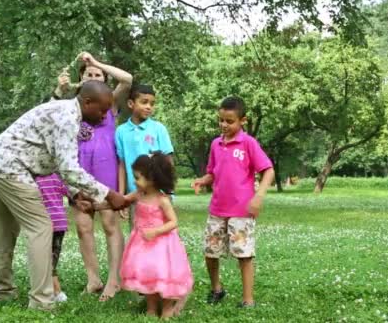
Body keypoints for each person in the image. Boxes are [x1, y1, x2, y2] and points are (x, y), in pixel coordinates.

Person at [0, 80, 127, 311]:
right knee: (41, 228)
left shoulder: (64, 111)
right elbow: (68, 168)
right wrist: (108, 194)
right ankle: (42, 301)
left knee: (6, 232)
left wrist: (75, 194)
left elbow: (55, 160)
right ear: (87, 102)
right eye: (102, 109)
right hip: (10, 168)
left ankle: (4, 291)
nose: (104, 115)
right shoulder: (68, 118)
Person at [53, 52, 131, 301]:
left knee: (110, 225)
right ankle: (93, 279)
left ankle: (113, 280)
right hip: (79, 172)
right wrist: (60, 88)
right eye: (89, 75)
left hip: (106, 171)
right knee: (83, 227)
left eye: (98, 76)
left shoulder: (111, 104)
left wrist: (95, 63)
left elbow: (127, 80)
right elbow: (50, 113)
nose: (94, 76)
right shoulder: (73, 107)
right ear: (81, 80)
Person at [191, 96, 275, 309]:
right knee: (211, 252)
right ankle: (217, 289)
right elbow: (212, 173)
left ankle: (248, 300)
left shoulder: (248, 143)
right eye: (221, 120)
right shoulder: (216, 144)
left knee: (244, 255)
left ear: (242, 120)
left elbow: (268, 170)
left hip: (241, 211)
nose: (224, 125)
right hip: (217, 209)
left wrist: (259, 197)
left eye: (230, 121)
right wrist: (203, 180)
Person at [120, 152, 193, 318]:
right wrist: (102, 203)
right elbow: (122, 200)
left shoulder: (162, 200)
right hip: (142, 244)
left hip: (162, 245)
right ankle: (151, 307)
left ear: (152, 179)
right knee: (147, 275)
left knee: (163, 274)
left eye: (137, 178)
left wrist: (156, 231)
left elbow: (173, 222)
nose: (134, 181)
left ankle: (167, 307)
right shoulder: (138, 195)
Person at [115, 84, 174, 226]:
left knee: (161, 233)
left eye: (152, 104)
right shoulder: (121, 131)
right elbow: (122, 165)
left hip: (158, 193)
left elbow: (168, 161)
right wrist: (122, 196)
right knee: (137, 233)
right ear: (131, 103)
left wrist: (169, 190)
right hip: (135, 193)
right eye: (144, 102)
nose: (149, 107)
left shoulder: (158, 129)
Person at [34, 173, 69, 303]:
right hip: (60, 222)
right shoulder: (57, 177)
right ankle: (54, 290)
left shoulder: (34, 180)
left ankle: (55, 290)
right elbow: (68, 192)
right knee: (53, 256)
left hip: (44, 223)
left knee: (46, 258)